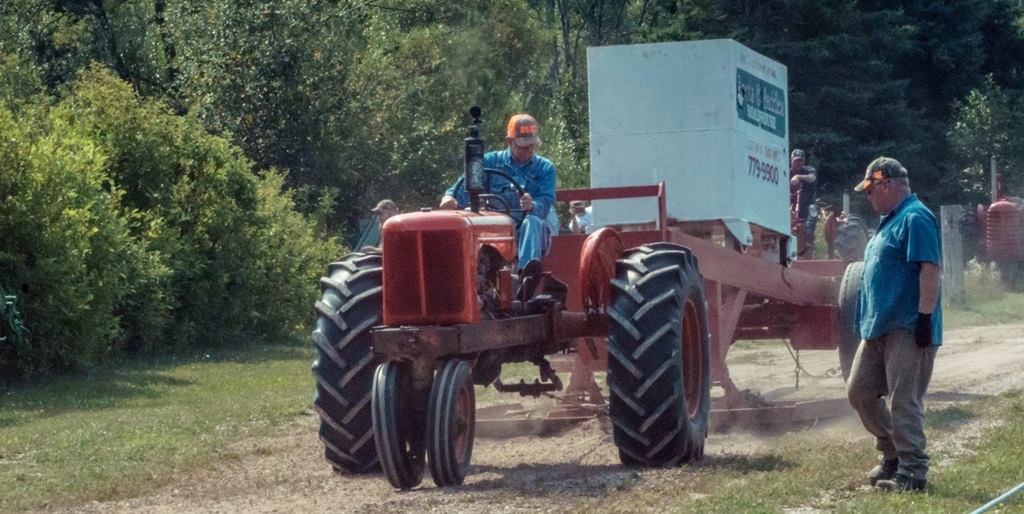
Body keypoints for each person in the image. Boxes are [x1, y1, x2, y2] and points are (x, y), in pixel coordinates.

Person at [847, 157, 942, 493]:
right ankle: (892, 456)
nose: (868, 196)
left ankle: (913, 473)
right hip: (877, 327)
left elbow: (930, 268)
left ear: (885, 184)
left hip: (907, 326)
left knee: (904, 401)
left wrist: (925, 319)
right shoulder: (889, 221)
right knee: (859, 392)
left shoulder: (916, 217)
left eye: (870, 189)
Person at [440, 113, 556, 266]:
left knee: (532, 221)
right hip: (493, 230)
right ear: (509, 141)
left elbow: (546, 202)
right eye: (523, 146)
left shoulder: (545, 168)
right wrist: (450, 197)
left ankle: (527, 273)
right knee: (469, 221)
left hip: (527, 232)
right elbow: (464, 186)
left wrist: (532, 205)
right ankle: (467, 270)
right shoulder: (489, 161)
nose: (528, 150)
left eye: (531, 145)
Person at [789, 149, 818, 258]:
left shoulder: (809, 170)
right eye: (795, 161)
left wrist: (798, 177)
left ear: (804, 161)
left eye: (800, 161)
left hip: (806, 207)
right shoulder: (786, 172)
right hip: (790, 207)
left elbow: (812, 178)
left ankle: (809, 240)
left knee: (813, 209)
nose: (798, 163)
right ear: (791, 161)